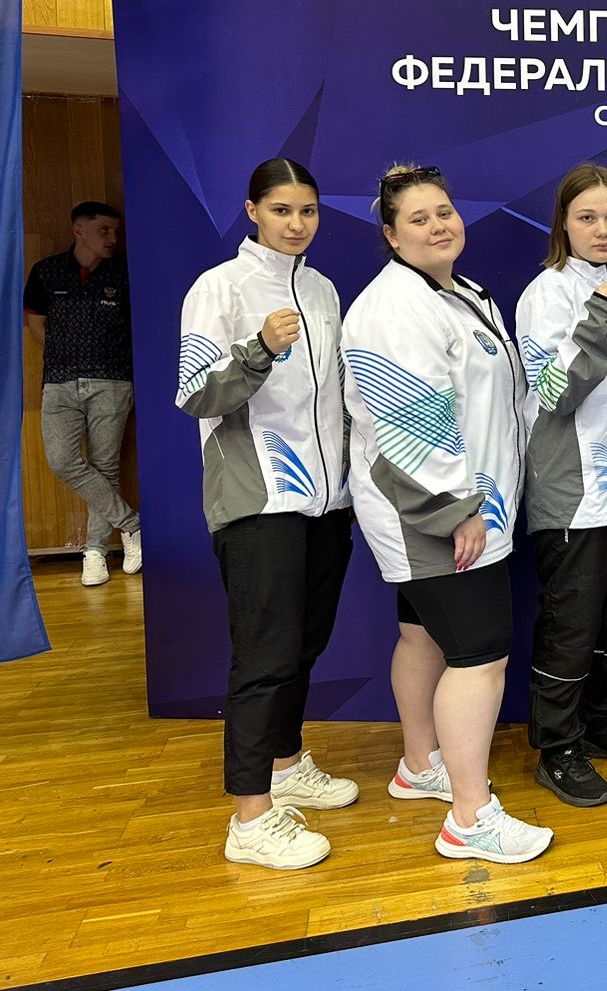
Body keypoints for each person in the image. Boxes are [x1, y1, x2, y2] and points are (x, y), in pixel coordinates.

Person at [343, 163, 550, 865]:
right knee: (479, 656)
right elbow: (409, 423)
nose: (438, 225)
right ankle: (469, 818)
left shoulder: (459, 292)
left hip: (468, 505)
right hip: (436, 514)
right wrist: (456, 510)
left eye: (444, 212)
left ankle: (418, 765)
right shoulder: (395, 307)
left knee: (422, 636)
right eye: (418, 218)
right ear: (391, 235)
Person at [176, 159, 357, 870]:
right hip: (258, 500)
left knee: (303, 644)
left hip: (325, 501)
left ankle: (285, 765)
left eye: (307, 210)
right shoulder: (218, 288)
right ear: (252, 211)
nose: (297, 223)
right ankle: (249, 819)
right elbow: (194, 394)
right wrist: (258, 350)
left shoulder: (322, 289)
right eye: (282, 210)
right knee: (264, 656)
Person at [516, 163, 607, 808]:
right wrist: (596, 320)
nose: (602, 230)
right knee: (571, 626)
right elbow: (555, 392)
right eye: (587, 218)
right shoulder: (546, 294)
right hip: (574, 494)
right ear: (564, 224)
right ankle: (558, 747)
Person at [23, 200, 141, 586]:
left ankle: (95, 552)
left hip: (112, 381)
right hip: (59, 382)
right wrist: (66, 357)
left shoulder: (124, 274)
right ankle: (132, 524)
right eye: (104, 230)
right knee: (62, 461)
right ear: (79, 230)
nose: (112, 238)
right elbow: (36, 324)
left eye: (116, 231)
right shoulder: (46, 272)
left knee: (106, 467)